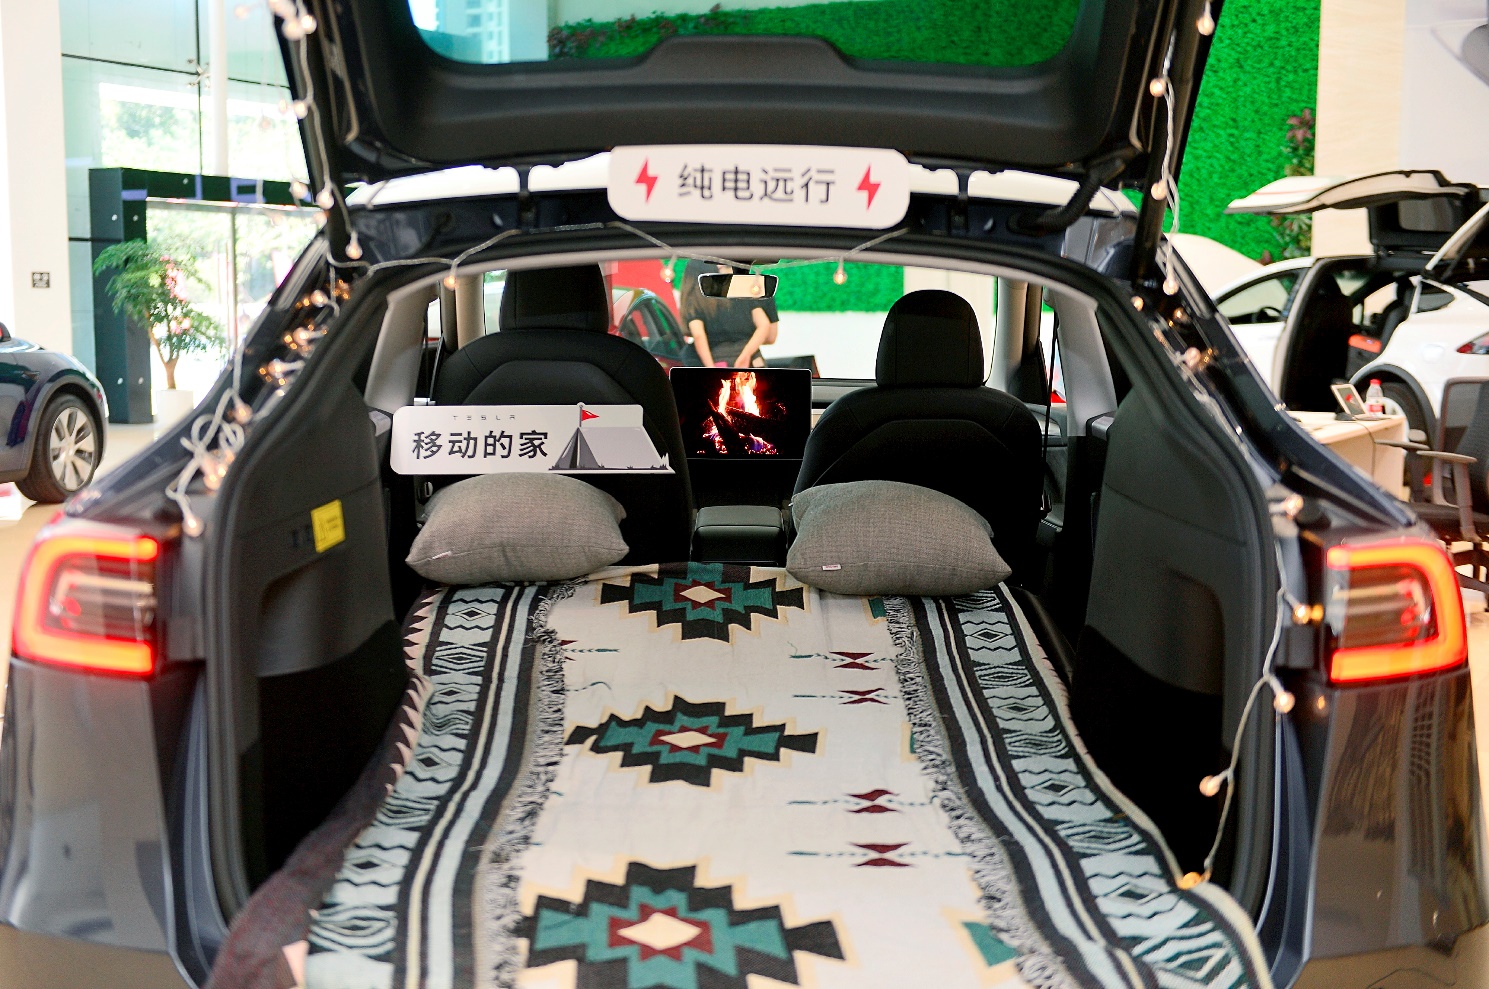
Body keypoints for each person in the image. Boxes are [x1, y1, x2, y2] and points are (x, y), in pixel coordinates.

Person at [678, 259, 780, 367]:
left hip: (721, 361)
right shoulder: (738, 293)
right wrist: (746, 355)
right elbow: (765, 326)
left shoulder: (693, 302)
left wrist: (711, 368)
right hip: (753, 360)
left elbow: (699, 335)